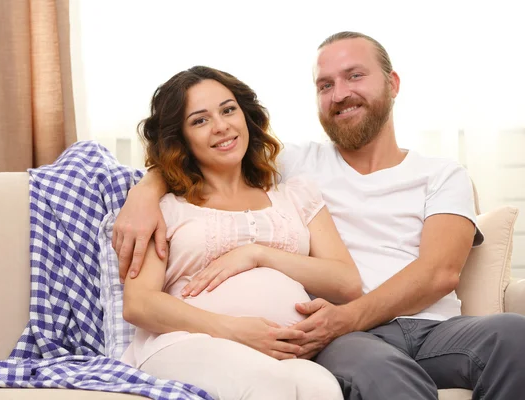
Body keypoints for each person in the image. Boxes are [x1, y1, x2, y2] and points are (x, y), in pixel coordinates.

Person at [113, 32, 525, 399]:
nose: (340, 93)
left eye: (354, 76)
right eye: (325, 85)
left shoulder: (442, 174)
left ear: (393, 83)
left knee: (515, 335)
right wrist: (145, 191)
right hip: (348, 339)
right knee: (379, 371)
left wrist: (341, 316)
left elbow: (439, 273)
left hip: (424, 329)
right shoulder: (293, 164)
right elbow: (213, 159)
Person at [119, 65, 360, 400]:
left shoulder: (294, 196)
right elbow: (138, 303)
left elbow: (346, 282)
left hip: (281, 353)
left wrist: (258, 254)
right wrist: (232, 330)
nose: (221, 126)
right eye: (200, 120)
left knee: (323, 388)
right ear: (181, 137)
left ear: (246, 116)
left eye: (228, 110)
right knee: (268, 386)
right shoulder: (164, 206)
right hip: (186, 343)